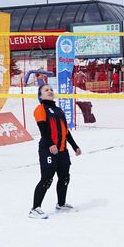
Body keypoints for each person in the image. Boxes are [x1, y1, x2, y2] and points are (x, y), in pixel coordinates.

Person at [29, 84, 82, 219]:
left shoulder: (59, 110)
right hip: (48, 149)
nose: (50, 91)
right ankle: (35, 209)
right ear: (40, 95)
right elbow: (43, 130)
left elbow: (66, 131)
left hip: (62, 150)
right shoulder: (40, 109)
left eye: (51, 89)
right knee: (47, 178)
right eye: (46, 90)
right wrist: (51, 144)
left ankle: (61, 204)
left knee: (64, 177)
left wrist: (75, 146)